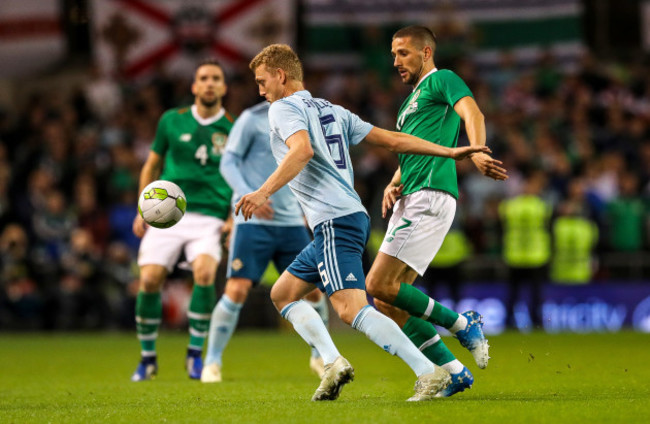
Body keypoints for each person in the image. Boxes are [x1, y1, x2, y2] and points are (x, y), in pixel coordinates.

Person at [236, 44, 495, 401]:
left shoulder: (282, 108)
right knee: (283, 294)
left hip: (333, 219)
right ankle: (331, 362)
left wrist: (262, 192)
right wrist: (449, 151)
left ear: (281, 76)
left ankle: (427, 371)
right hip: (346, 217)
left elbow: (302, 151)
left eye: (263, 81)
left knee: (350, 308)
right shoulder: (332, 109)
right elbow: (393, 140)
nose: (260, 90)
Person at [363, 25, 508, 397]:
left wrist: (477, 150)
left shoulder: (441, 79)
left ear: (426, 53)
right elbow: (414, 149)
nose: (395, 61)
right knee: (387, 300)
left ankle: (462, 323)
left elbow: (471, 111)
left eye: (403, 53)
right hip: (411, 193)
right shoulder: (409, 102)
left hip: (430, 195)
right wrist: (394, 179)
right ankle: (453, 370)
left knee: (377, 284)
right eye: (393, 54)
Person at [200, 101, 329, 383]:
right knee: (237, 289)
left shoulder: (307, 115)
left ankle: (321, 357)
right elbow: (228, 162)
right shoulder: (250, 118)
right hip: (253, 221)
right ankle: (211, 362)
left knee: (314, 292)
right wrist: (250, 195)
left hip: (292, 221)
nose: (261, 87)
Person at [130, 59, 234, 381]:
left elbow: (242, 176)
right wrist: (142, 207)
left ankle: (194, 355)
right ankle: (148, 359)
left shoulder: (233, 127)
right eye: (203, 78)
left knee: (204, 273)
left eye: (215, 78)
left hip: (210, 216)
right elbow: (151, 165)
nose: (209, 83)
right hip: (169, 212)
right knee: (148, 280)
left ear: (224, 87)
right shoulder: (171, 121)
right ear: (194, 86)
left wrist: (233, 216)